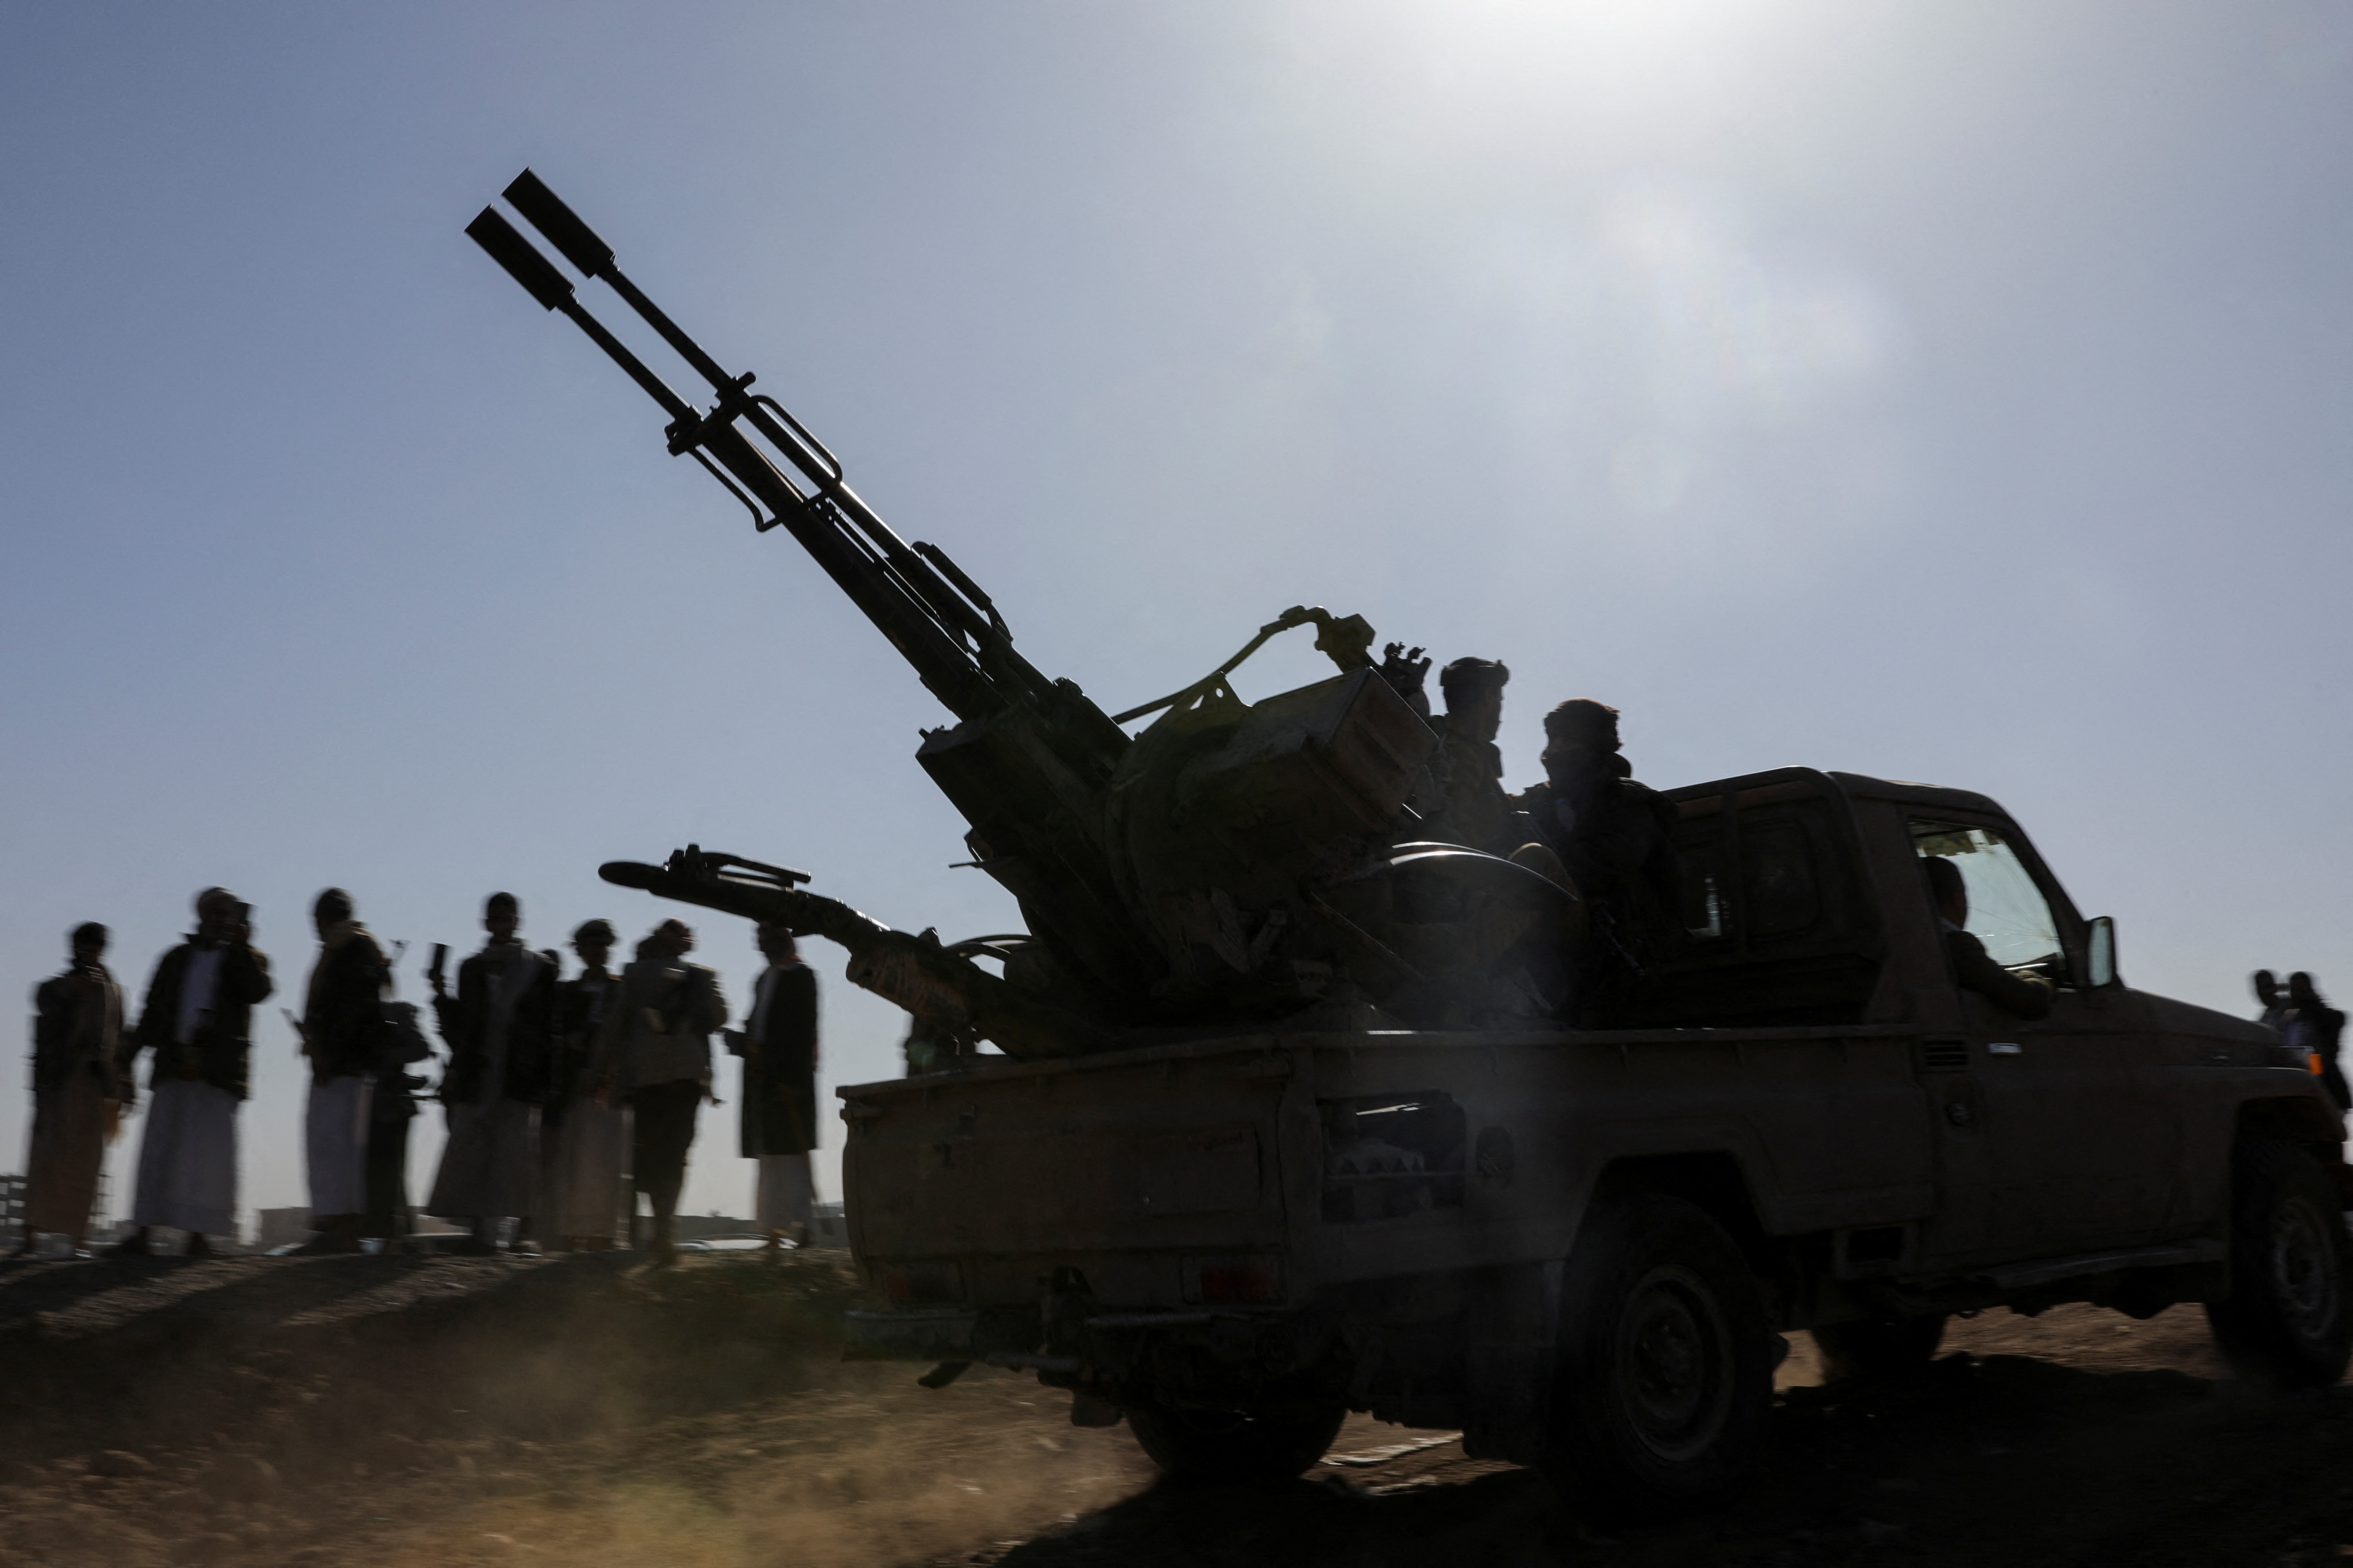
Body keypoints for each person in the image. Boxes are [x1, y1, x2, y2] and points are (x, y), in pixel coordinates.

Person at [114, 889, 274, 1256]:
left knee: (208, 1158)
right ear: (201, 915)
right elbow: (153, 1011)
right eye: (215, 912)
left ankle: (199, 1237)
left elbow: (259, 991)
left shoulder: (247, 959)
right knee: (160, 1151)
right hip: (174, 1066)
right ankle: (142, 1233)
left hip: (218, 1072)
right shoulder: (176, 959)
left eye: (228, 913)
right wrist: (127, 1058)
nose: (220, 919)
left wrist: (242, 949)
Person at [1510, 699, 1681, 1021]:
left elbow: (1601, 867)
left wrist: (1544, 855)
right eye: (1552, 739)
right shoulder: (1540, 806)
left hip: (1614, 958)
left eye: (1568, 740)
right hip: (1555, 949)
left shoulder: (1630, 805)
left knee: (1533, 861)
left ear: (1595, 745)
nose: (1554, 750)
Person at [425, 892, 555, 1254]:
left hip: (518, 1078)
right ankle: (480, 1233)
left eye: (506, 917)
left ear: (517, 921)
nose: (500, 924)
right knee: (472, 1153)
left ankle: (510, 1234)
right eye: (494, 918)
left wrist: (544, 1081)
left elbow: (548, 1031)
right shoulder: (472, 969)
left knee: (512, 1158)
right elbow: (462, 1031)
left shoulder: (539, 969)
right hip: (478, 1076)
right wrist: (440, 995)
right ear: (486, 923)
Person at [592, 919, 726, 1264]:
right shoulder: (703, 976)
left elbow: (615, 1026)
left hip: (645, 1077)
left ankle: (640, 1230)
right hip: (688, 1075)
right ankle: (666, 1227)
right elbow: (719, 1017)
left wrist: (600, 1072)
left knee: (645, 1152)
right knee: (677, 1151)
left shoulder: (634, 975)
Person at [17, 923, 128, 1257]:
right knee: (46, 1160)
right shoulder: (55, 988)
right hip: (57, 1083)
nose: (87, 954)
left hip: (94, 1086)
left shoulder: (114, 992)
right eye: (83, 947)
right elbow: (44, 1013)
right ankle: (30, 1236)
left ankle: (79, 1238)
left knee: (87, 1162)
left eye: (94, 948)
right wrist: (73, 993)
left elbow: (121, 1040)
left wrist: (123, 1086)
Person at [292, 889, 388, 1254]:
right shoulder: (340, 950)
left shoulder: (354, 950)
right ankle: (334, 1225)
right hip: (337, 1064)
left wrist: (328, 1052)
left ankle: (346, 1229)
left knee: (343, 1148)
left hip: (348, 1067)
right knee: (327, 1144)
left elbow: (352, 1010)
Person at [726, 923, 819, 1250]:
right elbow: (759, 1027)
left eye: (775, 940)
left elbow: (803, 1031)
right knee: (770, 1156)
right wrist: (742, 1041)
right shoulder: (764, 979)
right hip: (763, 1078)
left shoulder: (801, 976)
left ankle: (804, 1228)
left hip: (790, 1078)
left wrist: (794, 1081)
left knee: (793, 1154)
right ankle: (774, 1232)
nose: (768, 946)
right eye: (764, 941)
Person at [542, 919, 628, 1250]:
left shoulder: (621, 989)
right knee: (571, 1161)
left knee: (607, 1162)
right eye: (590, 945)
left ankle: (603, 1232)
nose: (596, 952)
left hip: (607, 1087)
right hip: (572, 1086)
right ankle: (569, 1231)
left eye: (601, 945)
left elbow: (624, 1038)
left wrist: (610, 1074)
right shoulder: (567, 992)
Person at [1922, 855, 2054, 1020]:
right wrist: (2034, 978)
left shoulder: (1902, 943)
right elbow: (2032, 1002)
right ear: (1958, 898)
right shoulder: (1955, 946)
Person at [1426, 657, 1512, 852]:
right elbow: (1459, 826)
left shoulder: (1441, 738)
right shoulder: (1462, 751)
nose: (1500, 709)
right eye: (1500, 700)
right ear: (1488, 698)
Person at [2283, 972, 2350, 1113]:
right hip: (2296, 1087)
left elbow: (2323, 1054)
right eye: (2294, 990)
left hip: (2326, 1088)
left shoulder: (2324, 1018)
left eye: (2302, 991)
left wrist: (2314, 1005)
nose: (2297, 995)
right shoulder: (2289, 1020)